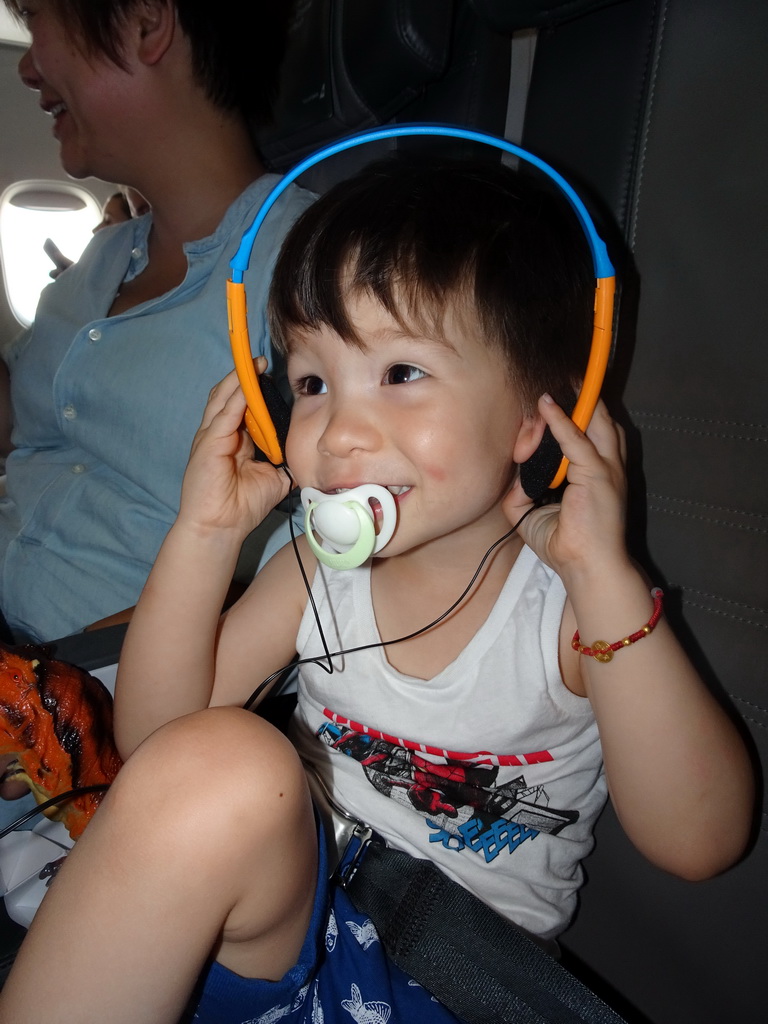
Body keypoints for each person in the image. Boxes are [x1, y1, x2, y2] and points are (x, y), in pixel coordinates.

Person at [0, 159, 754, 1024]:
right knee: (219, 767)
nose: (342, 430)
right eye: (313, 383)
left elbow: (700, 840)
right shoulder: (321, 572)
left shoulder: (572, 611)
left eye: (400, 373)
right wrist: (203, 535)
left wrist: (606, 578)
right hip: (288, 919)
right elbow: (158, 740)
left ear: (533, 418)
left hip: (448, 978)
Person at [0, 0, 315, 645]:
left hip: (92, 687)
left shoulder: (311, 266)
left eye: (36, 19)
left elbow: (323, 564)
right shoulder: (102, 258)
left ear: (146, 22)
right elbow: (28, 428)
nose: (28, 68)